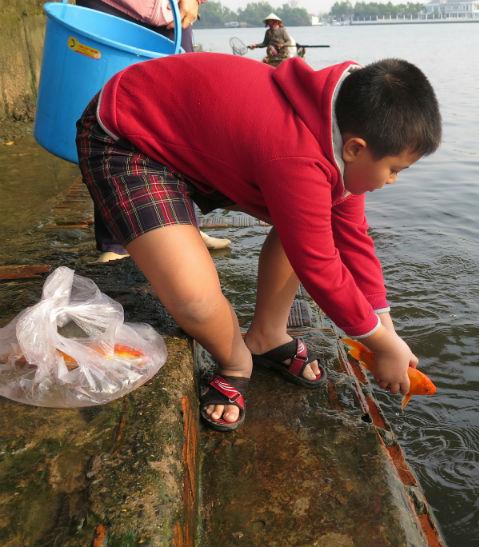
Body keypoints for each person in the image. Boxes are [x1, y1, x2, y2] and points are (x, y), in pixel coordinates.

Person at [75, 53, 442, 431]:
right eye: (394, 170)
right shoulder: (296, 153)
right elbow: (319, 266)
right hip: (128, 139)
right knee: (195, 300)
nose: (393, 180)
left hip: (198, 144)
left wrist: (387, 328)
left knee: (312, 218)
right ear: (355, 149)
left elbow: (353, 239)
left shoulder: (338, 123)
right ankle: (236, 360)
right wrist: (380, 345)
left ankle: (267, 335)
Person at [75, 0, 232, 261]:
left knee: (179, 121)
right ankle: (116, 241)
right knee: (108, 117)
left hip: (172, 13)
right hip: (111, 7)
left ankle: (187, 228)